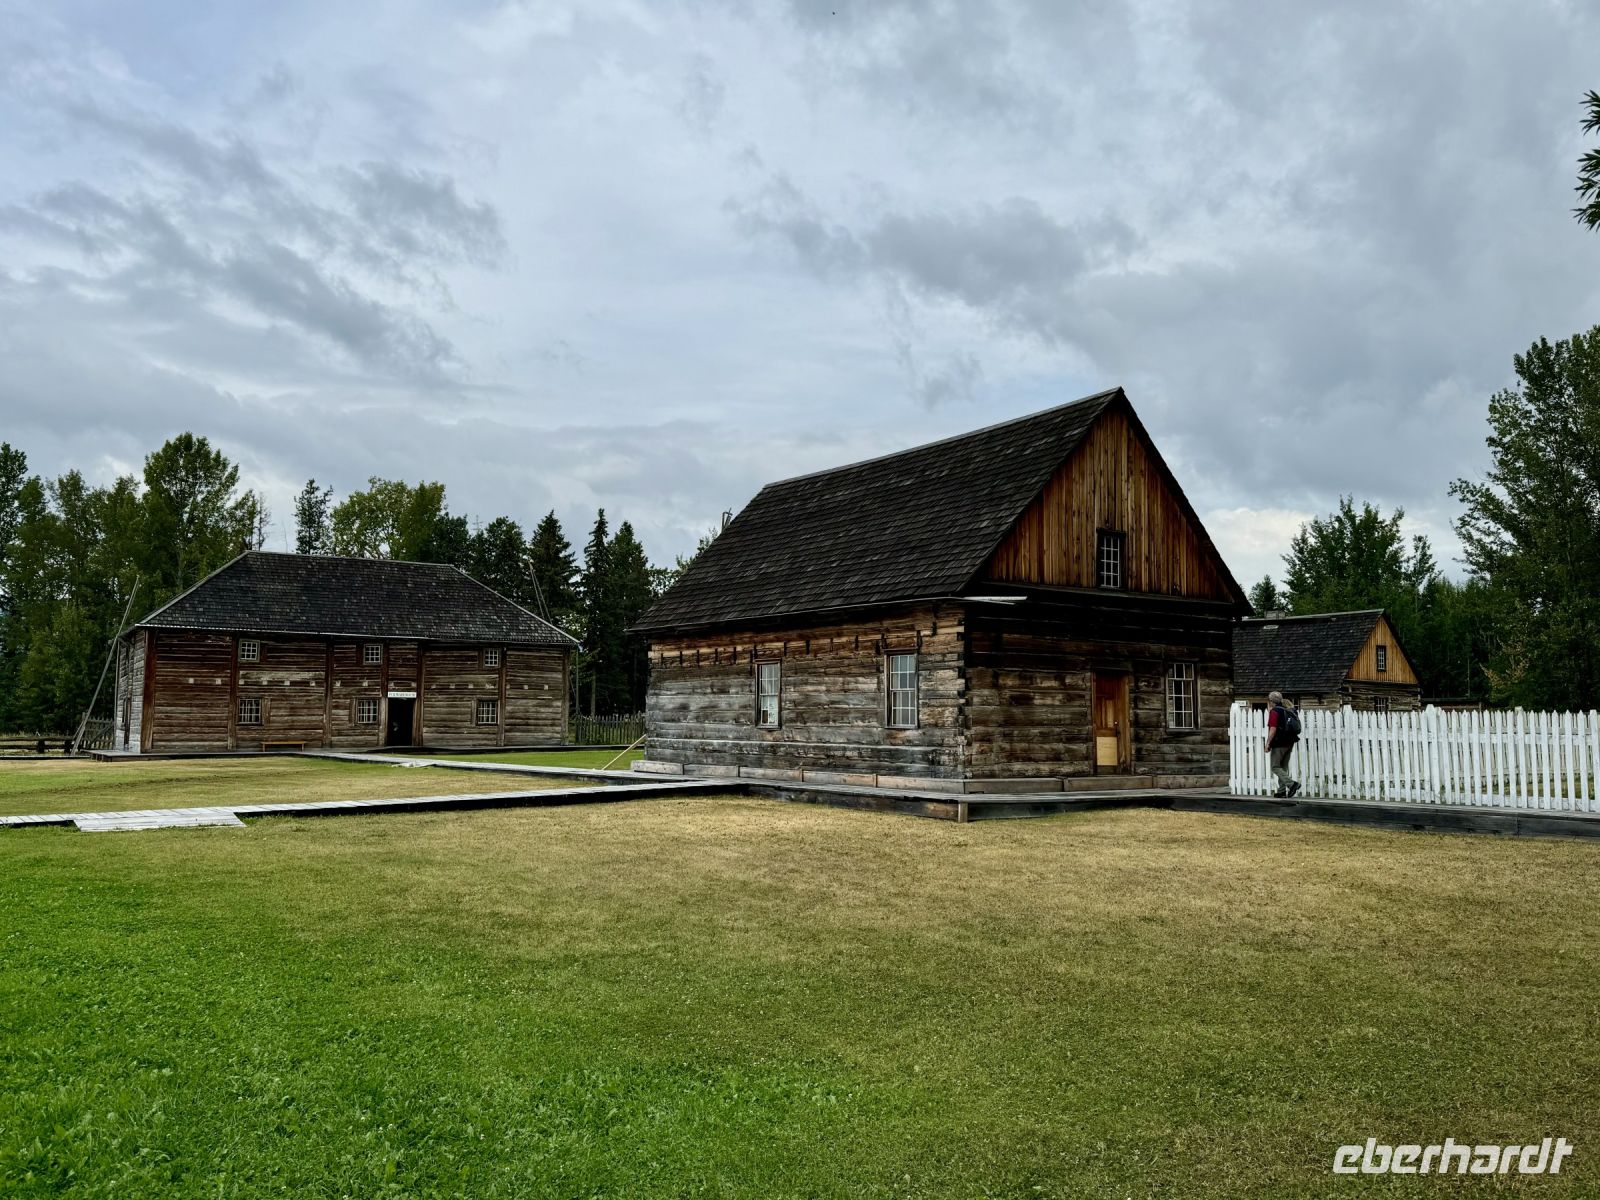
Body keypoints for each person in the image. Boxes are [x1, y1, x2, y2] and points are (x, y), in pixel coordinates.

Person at [1264, 690, 1301, 798]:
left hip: (1279, 742)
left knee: (1275, 766)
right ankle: (1281, 791)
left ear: (1271, 701)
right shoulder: (1288, 709)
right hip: (1290, 741)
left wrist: (1268, 743)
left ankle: (1292, 784)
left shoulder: (1275, 711)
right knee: (1283, 767)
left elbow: (1273, 729)